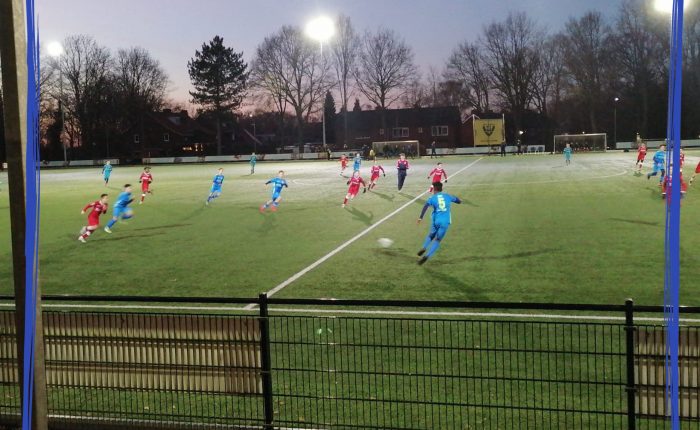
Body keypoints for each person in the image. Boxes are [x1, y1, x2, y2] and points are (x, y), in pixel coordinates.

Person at [416, 182, 461, 265]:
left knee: (431, 235)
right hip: (445, 222)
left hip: (436, 220)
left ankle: (424, 247)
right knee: (438, 240)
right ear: (441, 189)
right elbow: (458, 201)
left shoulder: (432, 198)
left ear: (434, 189)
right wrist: (458, 199)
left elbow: (425, 206)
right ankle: (427, 256)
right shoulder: (447, 196)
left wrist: (420, 217)